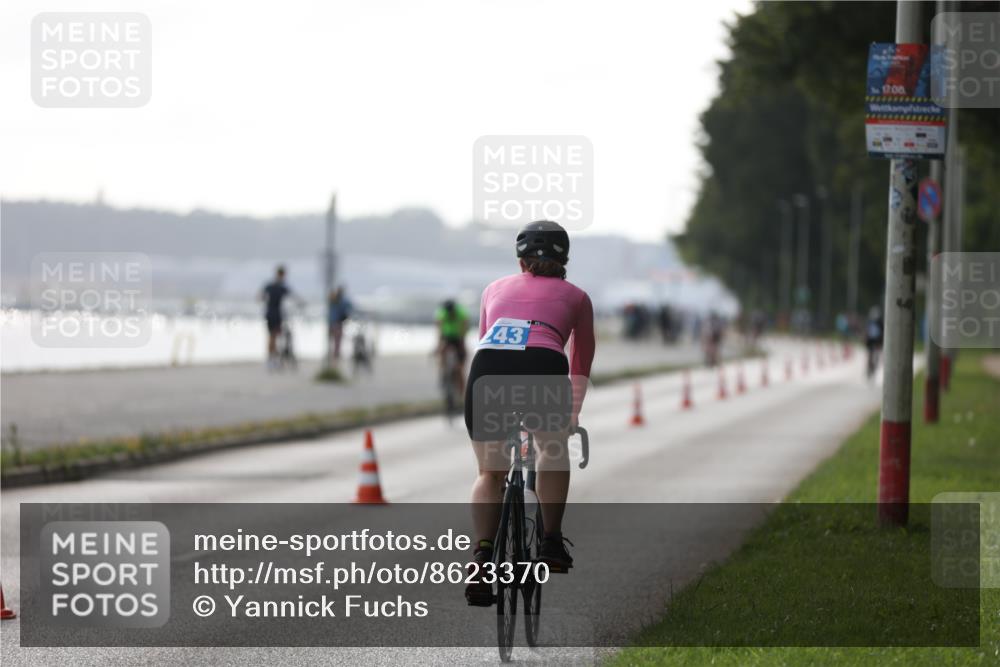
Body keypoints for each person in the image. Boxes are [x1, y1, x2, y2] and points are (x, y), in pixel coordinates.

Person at [464, 220, 595, 606]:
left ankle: (482, 558)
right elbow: (580, 360)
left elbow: (485, 342)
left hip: (488, 369)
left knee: (490, 473)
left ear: (521, 261)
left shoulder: (493, 289)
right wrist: (571, 414)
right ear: (564, 260)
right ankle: (551, 543)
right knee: (551, 450)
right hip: (543, 365)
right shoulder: (577, 296)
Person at [260, 265, 301, 368]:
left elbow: (260, 296)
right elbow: (294, 296)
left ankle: (272, 359)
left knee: (274, 336)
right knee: (273, 336)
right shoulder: (278, 286)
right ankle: (271, 359)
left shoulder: (273, 286)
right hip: (274, 314)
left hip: (274, 313)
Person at [435, 298, 470, 395]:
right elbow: (439, 328)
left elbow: (465, 326)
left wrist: (462, 339)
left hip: (458, 337)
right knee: (441, 350)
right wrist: (438, 344)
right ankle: (443, 369)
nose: (450, 313)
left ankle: (462, 393)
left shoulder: (461, 312)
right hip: (447, 336)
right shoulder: (442, 313)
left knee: (460, 367)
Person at [327, 287, 353, 362]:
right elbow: (350, 306)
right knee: (337, 341)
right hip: (337, 323)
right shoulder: (342, 301)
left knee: (333, 340)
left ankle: (332, 355)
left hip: (331, 323)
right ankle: (335, 356)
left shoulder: (333, 300)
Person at [865, 305, 884, 380]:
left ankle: (874, 365)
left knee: (876, 354)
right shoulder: (870, 322)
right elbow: (867, 332)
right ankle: (869, 366)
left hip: (877, 341)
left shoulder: (880, 323)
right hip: (871, 341)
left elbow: (882, 333)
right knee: (870, 354)